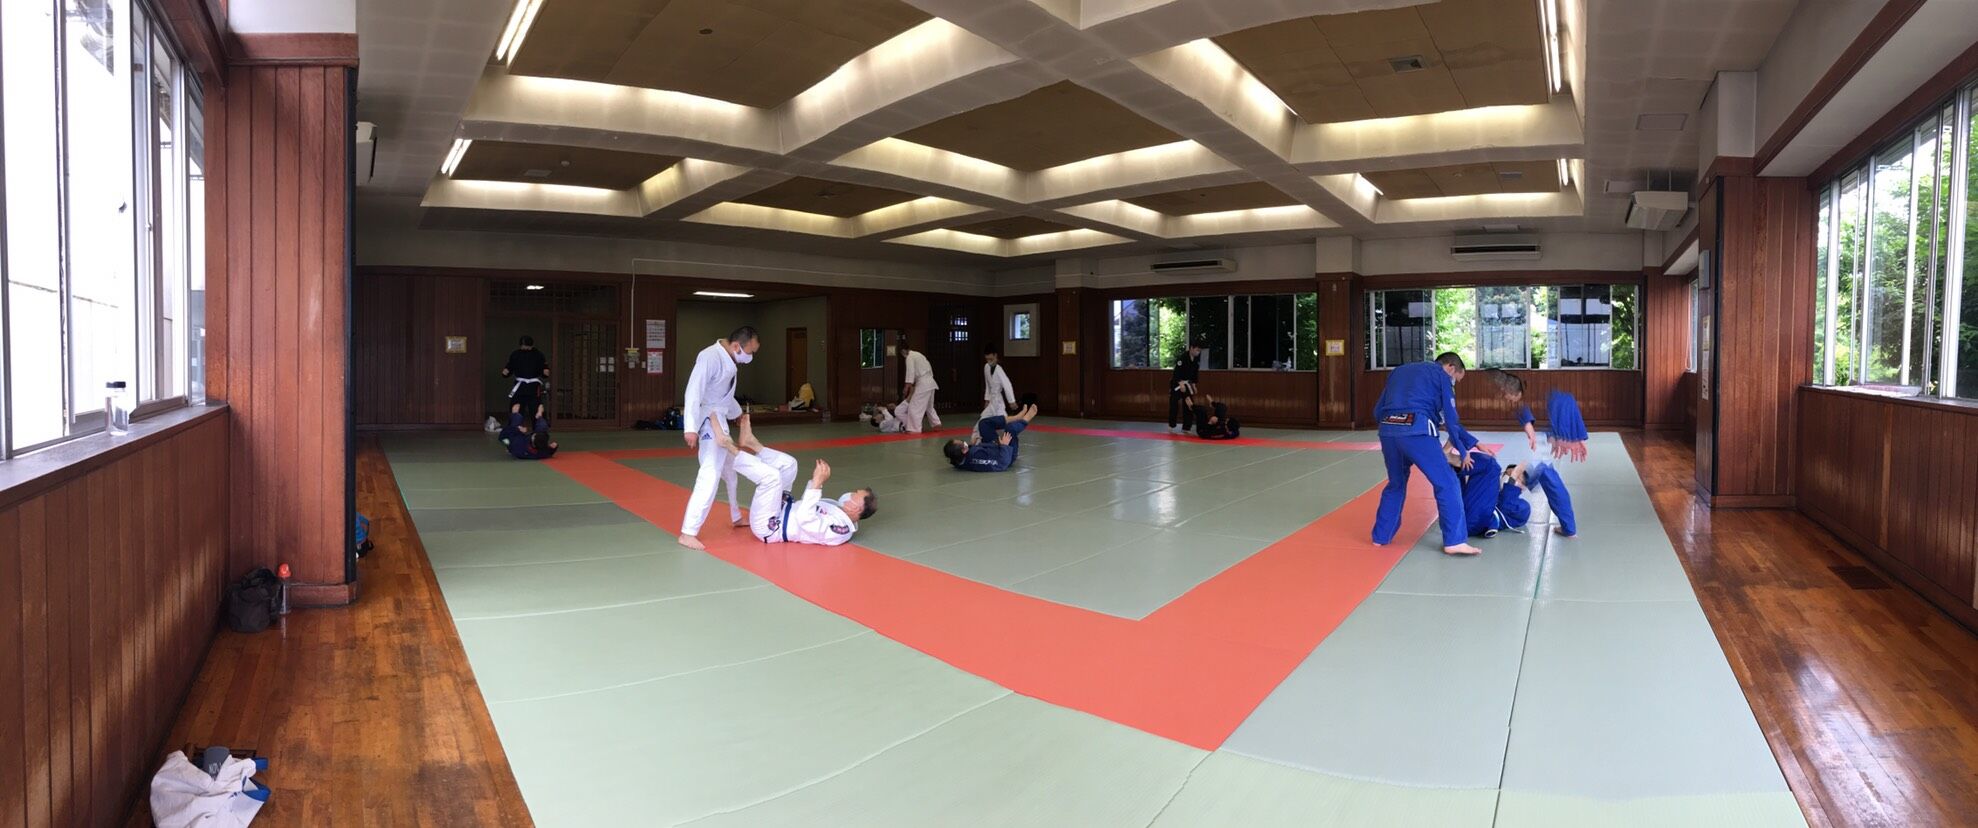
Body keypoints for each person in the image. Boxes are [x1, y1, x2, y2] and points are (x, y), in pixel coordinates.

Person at [1371, 352, 1482, 556]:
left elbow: (1378, 409)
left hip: (1387, 430)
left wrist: (1392, 426)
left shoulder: (1399, 371)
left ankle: (1381, 536)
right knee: (1447, 482)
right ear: (1450, 368)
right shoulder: (1441, 375)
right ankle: (1455, 541)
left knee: (1396, 484)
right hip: (1417, 429)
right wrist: (1463, 450)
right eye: (1456, 379)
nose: (1454, 384)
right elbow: (1451, 419)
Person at [729, 422, 875, 547]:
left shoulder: (840, 531)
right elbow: (806, 503)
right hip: (781, 507)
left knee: (772, 478)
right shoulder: (837, 509)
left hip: (770, 526)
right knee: (789, 464)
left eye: (855, 495)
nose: (850, 494)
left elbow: (804, 519)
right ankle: (751, 443)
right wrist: (815, 482)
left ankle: (729, 447)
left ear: (856, 509)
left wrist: (817, 484)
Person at [677, 327, 758, 551]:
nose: (750, 356)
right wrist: (690, 428)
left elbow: (724, 396)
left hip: (720, 419)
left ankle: (736, 516)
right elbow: (694, 391)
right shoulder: (709, 357)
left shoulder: (729, 359)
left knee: (730, 473)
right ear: (736, 346)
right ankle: (688, 532)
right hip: (708, 421)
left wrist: (737, 414)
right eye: (750, 351)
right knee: (710, 474)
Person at [1489, 371, 1591, 462]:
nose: (1508, 401)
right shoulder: (1523, 405)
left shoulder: (1545, 393)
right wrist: (1549, 435)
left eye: (1508, 398)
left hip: (1561, 408)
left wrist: (1568, 435)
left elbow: (1563, 403)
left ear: (1513, 392)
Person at [943, 404, 1038, 472]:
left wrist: (973, 446)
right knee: (1010, 429)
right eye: (964, 443)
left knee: (983, 424)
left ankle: (1016, 417)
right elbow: (1002, 464)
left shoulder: (957, 459)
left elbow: (957, 457)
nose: (965, 443)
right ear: (964, 451)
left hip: (992, 447)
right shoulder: (978, 459)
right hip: (1006, 455)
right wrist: (1005, 446)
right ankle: (1026, 419)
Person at [501, 335, 551, 416]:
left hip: (533, 386)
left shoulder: (538, 355)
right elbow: (510, 366)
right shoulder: (516, 354)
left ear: (532, 345)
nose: (526, 349)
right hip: (520, 385)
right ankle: (516, 422)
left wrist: (545, 372)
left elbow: (544, 367)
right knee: (516, 408)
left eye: (528, 347)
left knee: (535, 408)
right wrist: (506, 372)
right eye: (524, 347)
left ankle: (538, 422)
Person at [899, 339, 941, 433]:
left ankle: (914, 429)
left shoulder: (909, 357)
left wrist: (906, 387)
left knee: (914, 406)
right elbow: (929, 368)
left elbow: (910, 372)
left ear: (903, 351)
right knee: (929, 406)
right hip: (931, 382)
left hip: (923, 384)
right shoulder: (919, 354)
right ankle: (936, 423)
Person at [1167, 344, 1202, 432]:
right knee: (1174, 404)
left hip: (1187, 383)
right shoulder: (1182, 358)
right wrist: (1180, 383)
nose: (1198, 352)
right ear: (1191, 348)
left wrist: (1194, 385)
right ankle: (1171, 424)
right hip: (1177, 383)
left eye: (1199, 351)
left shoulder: (1196, 359)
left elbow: (1195, 374)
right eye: (1197, 350)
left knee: (1189, 404)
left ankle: (1186, 427)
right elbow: (1176, 372)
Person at [981, 347, 1016, 421]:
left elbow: (1007, 385)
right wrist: (987, 399)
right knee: (982, 421)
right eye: (987, 359)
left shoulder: (999, 369)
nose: (989, 362)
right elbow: (988, 385)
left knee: (1004, 421)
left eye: (991, 359)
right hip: (991, 401)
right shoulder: (986, 367)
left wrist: (1011, 401)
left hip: (998, 401)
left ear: (995, 356)